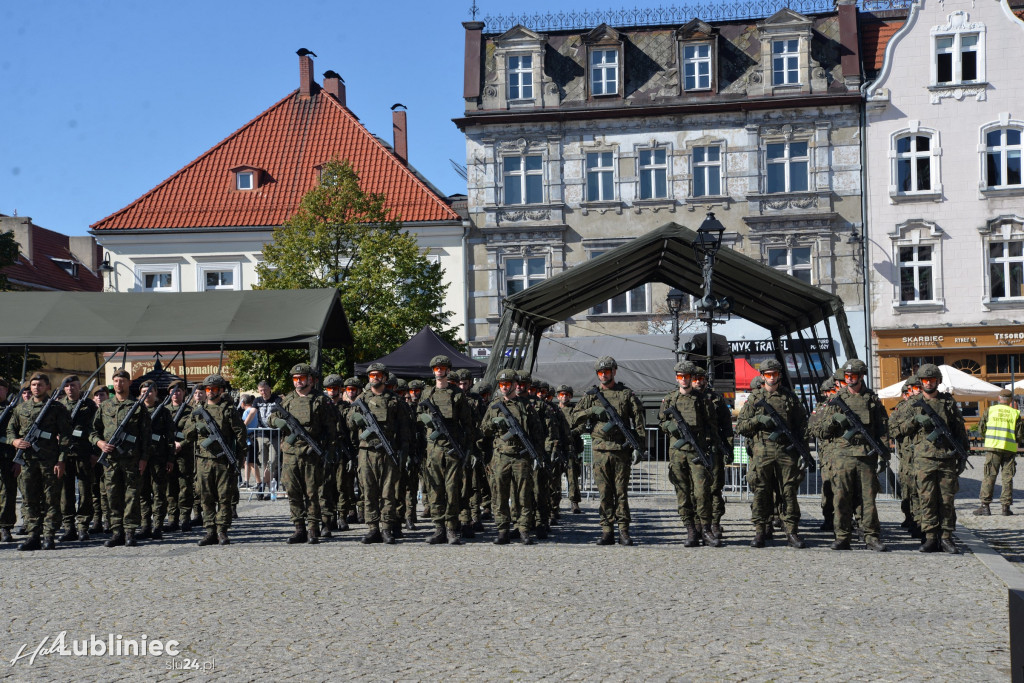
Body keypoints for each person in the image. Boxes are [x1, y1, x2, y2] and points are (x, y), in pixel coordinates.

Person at [893, 363, 969, 553]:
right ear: (921, 382)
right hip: (923, 459)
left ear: (938, 381)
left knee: (946, 500)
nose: (929, 383)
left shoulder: (948, 403)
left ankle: (946, 536)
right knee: (926, 499)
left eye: (932, 380)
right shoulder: (912, 404)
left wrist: (962, 456)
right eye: (925, 380)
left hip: (946, 458)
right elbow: (895, 430)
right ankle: (929, 537)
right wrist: (914, 421)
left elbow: (960, 432)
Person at [571, 356, 646, 546]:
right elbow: (574, 417)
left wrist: (639, 447)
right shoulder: (591, 396)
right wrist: (592, 411)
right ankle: (606, 530)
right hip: (600, 451)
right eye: (600, 373)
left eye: (607, 372)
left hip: (621, 450)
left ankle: (624, 530)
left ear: (614, 371)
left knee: (621, 493)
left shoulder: (626, 394)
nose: (604, 376)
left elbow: (639, 422)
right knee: (604, 493)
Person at [735, 359, 809, 549]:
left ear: (779, 375)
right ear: (762, 376)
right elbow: (742, 426)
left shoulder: (789, 397)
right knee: (761, 491)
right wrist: (758, 420)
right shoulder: (754, 399)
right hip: (762, 450)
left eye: (774, 374)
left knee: (788, 491)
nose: (772, 377)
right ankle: (760, 531)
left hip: (786, 450)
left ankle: (791, 532)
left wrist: (802, 450)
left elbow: (802, 424)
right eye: (768, 374)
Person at [816, 359, 889, 552]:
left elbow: (882, 429)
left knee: (868, 499)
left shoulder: (872, 400)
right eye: (847, 376)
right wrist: (834, 421)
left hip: (866, 455)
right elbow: (821, 431)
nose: (849, 379)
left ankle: (871, 536)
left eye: (853, 376)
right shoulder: (836, 400)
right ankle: (842, 536)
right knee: (841, 497)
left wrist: (883, 455)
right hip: (843, 456)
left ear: (862, 376)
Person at [659, 360, 722, 547]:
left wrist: (714, 448)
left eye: (687, 377)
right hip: (678, 453)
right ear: (676, 378)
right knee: (683, 493)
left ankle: (706, 529)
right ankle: (691, 530)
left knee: (702, 493)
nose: (684, 380)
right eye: (680, 377)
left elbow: (712, 427)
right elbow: (662, 422)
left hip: (698, 452)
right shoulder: (670, 399)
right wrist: (671, 426)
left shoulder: (703, 400)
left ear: (692, 378)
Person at [7, 373, 73, 551]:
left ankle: (49, 536)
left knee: (51, 499)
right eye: (34, 384)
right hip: (28, 462)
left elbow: (66, 436)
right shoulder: (21, 409)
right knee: (30, 499)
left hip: (49, 461)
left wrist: (61, 460)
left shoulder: (57, 408)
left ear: (48, 387)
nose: (37, 387)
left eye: (40, 385)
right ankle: (33, 535)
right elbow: (10, 430)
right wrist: (14, 441)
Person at [273, 364, 337, 544]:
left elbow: (331, 429)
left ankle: (313, 528)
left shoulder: (321, 400)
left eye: (301, 378)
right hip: (291, 453)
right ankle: (298, 527)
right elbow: (271, 418)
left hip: (311, 453)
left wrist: (328, 451)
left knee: (312, 493)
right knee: (293, 491)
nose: (298, 381)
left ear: (310, 379)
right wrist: (280, 422)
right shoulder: (287, 400)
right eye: (295, 378)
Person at [479, 368, 544, 545]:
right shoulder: (494, 406)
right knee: (499, 494)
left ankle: (523, 529)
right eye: (501, 384)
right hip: (501, 456)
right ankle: (502, 530)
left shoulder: (526, 406)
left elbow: (537, 432)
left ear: (515, 385)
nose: (504, 388)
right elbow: (483, 430)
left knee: (523, 495)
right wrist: (494, 424)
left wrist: (537, 456)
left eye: (507, 384)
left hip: (522, 457)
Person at [347, 362, 408, 544]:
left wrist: (404, 450)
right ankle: (373, 528)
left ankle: (387, 528)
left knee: (388, 492)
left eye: (378, 375)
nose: (375, 378)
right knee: (369, 491)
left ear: (384, 377)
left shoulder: (394, 400)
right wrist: (357, 419)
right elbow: (350, 425)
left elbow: (404, 428)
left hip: (388, 452)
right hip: (366, 451)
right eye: (372, 375)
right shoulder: (361, 400)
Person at [90, 369, 152, 547]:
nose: (119, 384)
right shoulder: (105, 406)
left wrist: (144, 459)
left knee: (132, 495)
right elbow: (92, 431)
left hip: (132, 459)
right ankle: (117, 531)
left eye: (122, 381)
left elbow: (146, 436)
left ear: (129, 383)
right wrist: (100, 443)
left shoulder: (138, 406)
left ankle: (130, 531)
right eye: (116, 381)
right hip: (110, 460)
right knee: (113, 495)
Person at [183, 374, 247, 546]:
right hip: (203, 460)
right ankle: (210, 530)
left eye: (214, 389)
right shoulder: (198, 411)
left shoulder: (228, 410)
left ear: (221, 390)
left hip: (223, 461)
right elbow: (187, 434)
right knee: (206, 497)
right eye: (208, 389)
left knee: (224, 498)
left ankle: (222, 531)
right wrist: (199, 426)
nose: (210, 392)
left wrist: (240, 457)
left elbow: (240, 434)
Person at [418, 355, 475, 545]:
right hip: (434, 449)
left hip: (452, 450)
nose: (439, 371)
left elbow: (468, 425)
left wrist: (467, 449)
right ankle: (439, 528)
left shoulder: (457, 395)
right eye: (436, 368)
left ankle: (452, 529)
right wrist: (428, 421)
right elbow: (418, 417)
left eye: (442, 368)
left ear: (448, 370)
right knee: (435, 489)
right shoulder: (427, 394)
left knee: (452, 490)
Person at [692, 365, 733, 539]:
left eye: (702, 379)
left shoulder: (716, 399)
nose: (699, 382)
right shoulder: (686, 398)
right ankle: (697, 524)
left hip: (714, 448)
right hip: (694, 450)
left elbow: (726, 425)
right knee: (695, 490)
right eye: (695, 379)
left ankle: (715, 523)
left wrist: (728, 447)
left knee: (715, 488)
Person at [56, 374, 98, 542]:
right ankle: (69, 527)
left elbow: (96, 429)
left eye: (73, 385)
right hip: (64, 455)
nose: (70, 388)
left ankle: (83, 526)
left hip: (84, 453)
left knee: (85, 491)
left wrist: (95, 452)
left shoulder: (89, 405)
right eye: (67, 386)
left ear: (79, 387)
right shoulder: (59, 405)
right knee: (66, 493)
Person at [974, 388, 1023, 516]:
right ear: (1011, 400)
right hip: (1009, 448)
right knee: (1007, 478)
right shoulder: (1015, 413)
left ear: (999, 399)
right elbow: (1020, 435)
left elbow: (981, 429)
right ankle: (1005, 508)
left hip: (993, 448)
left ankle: (985, 506)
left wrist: (989, 437)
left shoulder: (990, 411)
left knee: (989, 476)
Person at [138, 380, 173, 540]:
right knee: (143, 494)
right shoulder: (136, 410)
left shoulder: (164, 412)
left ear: (156, 393)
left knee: (158, 493)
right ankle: (145, 525)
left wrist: (170, 458)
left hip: (159, 458)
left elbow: (170, 437)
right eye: (144, 390)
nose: (147, 393)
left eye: (150, 391)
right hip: (140, 458)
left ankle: (157, 526)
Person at [166, 380, 195, 532]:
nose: (176, 394)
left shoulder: (190, 411)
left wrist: (181, 444)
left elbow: (192, 432)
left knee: (185, 487)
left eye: (179, 391)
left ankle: (185, 518)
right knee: (170, 489)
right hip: (167, 454)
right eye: (173, 391)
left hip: (184, 454)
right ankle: (172, 519)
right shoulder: (164, 410)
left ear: (184, 393)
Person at [555, 385, 583, 515]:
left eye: (566, 394)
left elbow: (581, 426)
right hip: (557, 447)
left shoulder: (575, 410)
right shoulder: (553, 410)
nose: (564, 397)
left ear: (570, 396)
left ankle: (574, 502)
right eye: (561, 394)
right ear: (557, 396)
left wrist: (571, 433)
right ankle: (555, 504)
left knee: (572, 476)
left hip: (570, 447)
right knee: (555, 477)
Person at [253, 380, 281, 500]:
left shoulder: (277, 400)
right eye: (260, 390)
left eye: (264, 389)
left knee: (273, 461)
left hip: (274, 435)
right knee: (263, 462)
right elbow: (252, 413)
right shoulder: (257, 401)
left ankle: (262, 484)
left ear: (269, 389)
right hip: (261, 435)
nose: (263, 392)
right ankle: (269, 489)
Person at [0, 379, 16, 542]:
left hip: (6, 457)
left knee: (7, 493)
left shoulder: (12, 410)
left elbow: (17, 434)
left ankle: (5, 527)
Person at [240, 394, 259, 488]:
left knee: (251, 461)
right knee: (246, 461)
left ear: (243, 403)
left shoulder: (249, 410)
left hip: (250, 438)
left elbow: (253, 411)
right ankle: (246, 481)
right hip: (247, 439)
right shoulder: (247, 411)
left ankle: (258, 482)